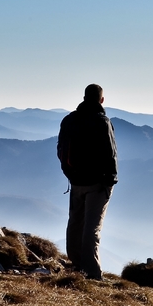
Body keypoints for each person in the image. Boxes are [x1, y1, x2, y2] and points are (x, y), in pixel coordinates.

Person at [57, 84, 118, 280]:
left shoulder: (69, 120)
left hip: (76, 181)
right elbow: (110, 153)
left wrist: (70, 174)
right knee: (92, 228)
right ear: (102, 100)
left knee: (75, 223)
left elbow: (60, 150)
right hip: (98, 184)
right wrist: (111, 180)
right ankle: (91, 273)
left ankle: (77, 264)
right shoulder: (103, 121)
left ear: (84, 97)